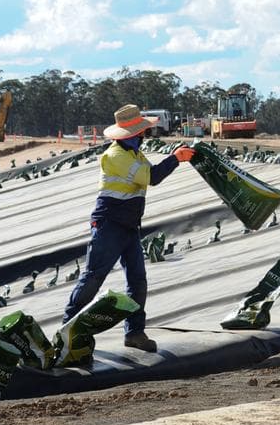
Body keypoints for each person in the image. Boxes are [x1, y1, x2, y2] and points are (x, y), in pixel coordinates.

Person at [63, 104, 195, 351]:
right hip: (109, 225)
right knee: (93, 277)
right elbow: (151, 177)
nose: (144, 136)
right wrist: (175, 158)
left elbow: (149, 172)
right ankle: (68, 330)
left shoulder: (134, 154)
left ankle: (134, 333)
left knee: (137, 281)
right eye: (141, 132)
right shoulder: (116, 156)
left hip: (129, 226)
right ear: (132, 134)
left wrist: (175, 157)